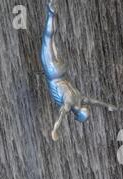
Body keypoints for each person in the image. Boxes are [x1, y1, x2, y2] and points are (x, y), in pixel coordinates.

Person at [41, 0, 118, 141]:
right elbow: (61, 117)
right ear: (76, 114)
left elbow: (94, 102)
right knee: (48, 40)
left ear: (82, 109)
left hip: (61, 72)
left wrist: (108, 106)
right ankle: (51, 13)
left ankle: (52, 14)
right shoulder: (70, 102)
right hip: (52, 72)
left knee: (51, 40)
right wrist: (55, 130)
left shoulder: (80, 98)